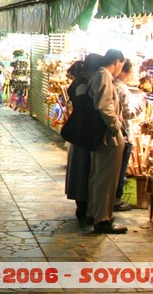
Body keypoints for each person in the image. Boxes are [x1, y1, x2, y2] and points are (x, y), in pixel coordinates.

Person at [87, 48, 127, 234]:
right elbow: (104, 105)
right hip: (107, 135)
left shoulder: (99, 75)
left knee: (99, 175)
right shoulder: (103, 76)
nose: (121, 69)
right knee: (107, 178)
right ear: (117, 62)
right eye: (122, 65)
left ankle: (95, 213)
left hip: (101, 134)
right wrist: (115, 126)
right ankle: (103, 219)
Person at [64, 54, 102, 223]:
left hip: (82, 134)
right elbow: (81, 109)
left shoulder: (84, 82)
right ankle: (82, 207)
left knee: (82, 169)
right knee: (82, 169)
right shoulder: (82, 84)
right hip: (82, 134)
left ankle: (83, 206)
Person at [113, 59, 139, 212]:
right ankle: (117, 200)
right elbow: (129, 113)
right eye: (131, 72)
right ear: (123, 71)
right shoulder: (121, 88)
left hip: (117, 134)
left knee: (116, 170)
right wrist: (140, 106)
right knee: (120, 170)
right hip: (124, 133)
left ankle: (114, 199)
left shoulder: (112, 84)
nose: (132, 75)